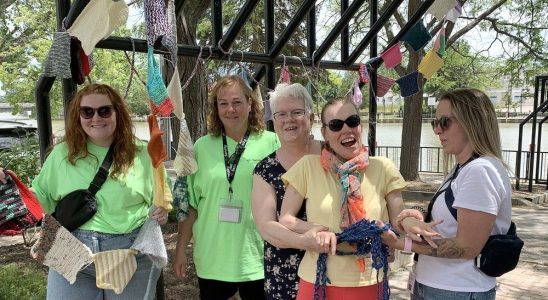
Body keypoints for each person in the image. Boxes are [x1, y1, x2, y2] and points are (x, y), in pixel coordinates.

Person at [0, 83, 168, 299]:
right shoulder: (62, 154)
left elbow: (162, 196)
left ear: (118, 113)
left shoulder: (143, 153)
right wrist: (10, 184)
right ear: (78, 116)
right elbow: (40, 198)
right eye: (87, 111)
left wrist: (162, 210)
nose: (96, 118)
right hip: (70, 246)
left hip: (129, 251)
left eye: (104, 110)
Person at [385, 88, 512, 300]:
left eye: (444, 122)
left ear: (472, 122)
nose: (437, 130)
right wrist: (416, 214)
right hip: (436, 286)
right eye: (434, 123)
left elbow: (467, 247)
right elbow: (444, 219)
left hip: (457, 290)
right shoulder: (462, 168)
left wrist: (400, 243)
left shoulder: (479, 170)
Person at [279, 97, 407, 299]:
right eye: (336, 125)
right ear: (325, 133)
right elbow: (285, 219)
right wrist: (317, 231)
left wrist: (412, 223)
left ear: (360, 125)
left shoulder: (383, 167)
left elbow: (400, 224)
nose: (346, 129)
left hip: (370, 280)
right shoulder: (307, 167)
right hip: (318, 282)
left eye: (352, 121)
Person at [173, 75, 279, 300]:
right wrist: (180, 249)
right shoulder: (201, 147)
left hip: (257, 255)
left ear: (250, 104)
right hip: (213, 256)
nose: (231, 109)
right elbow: (191, 205)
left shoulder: (271, 143)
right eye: (223, 103)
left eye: (237, 102)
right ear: (216, 108)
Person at [251, 83, 324, 299]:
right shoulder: (265, 169)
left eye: (296, 112)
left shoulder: (332, 154)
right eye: (281, 114)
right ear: (273, 121)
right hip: (285, 274)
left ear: (310, 118)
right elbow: (266, 227)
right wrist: (305, 242)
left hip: (334, 266)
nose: (289, 119)